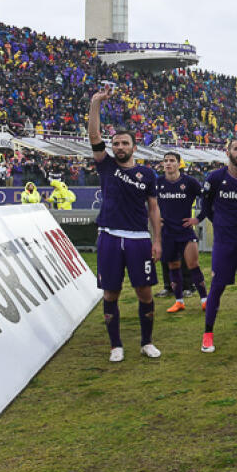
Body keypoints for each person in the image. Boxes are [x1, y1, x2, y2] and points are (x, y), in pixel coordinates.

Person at [88, 85, 163, 362]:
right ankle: (115, 345)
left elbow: (153, 209)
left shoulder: (147, 174)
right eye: (116, 143)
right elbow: (94, 135)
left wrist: (157, 241)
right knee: (111, 291)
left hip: (138, 239)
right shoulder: (105, 165)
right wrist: (96, 102)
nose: (119, 147)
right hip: (109, 237)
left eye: (124, 143)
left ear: (134, 147)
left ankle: (146, 342)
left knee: (144, 291)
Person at [193, 138, 237, 352]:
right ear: (228, 152)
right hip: (224, 241)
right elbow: (206, 205)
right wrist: (221, 223)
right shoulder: (215, 177)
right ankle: (208, 333)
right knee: (217, 286)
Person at [156, 152, 208, 314]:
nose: (168, 163)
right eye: (166, 161)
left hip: (186, 232)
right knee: (173, 266)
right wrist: (155, 218)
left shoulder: (190, 182)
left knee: (193, 265)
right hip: (167, 233)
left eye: (172, 161)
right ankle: (179, 301)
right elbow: (148, 204)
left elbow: (206, 200)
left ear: (179, 164)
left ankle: (205, 300)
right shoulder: (157, 183)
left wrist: (198, 219)